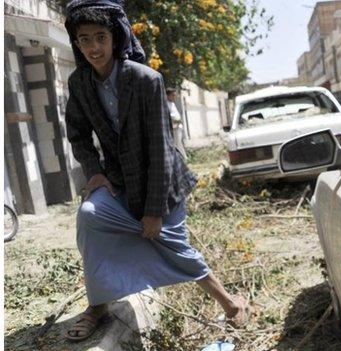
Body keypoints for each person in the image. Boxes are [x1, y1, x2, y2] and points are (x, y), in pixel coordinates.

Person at [63, 0, 249, 341]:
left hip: (163, 184)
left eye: (100, 37)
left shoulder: (146, 80)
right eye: (85, 39)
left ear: (115, 38)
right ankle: (98, 304)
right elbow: (76, 131)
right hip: (118, 184)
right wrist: (94, 172)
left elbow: (162, 149)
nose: (93, 47)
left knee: (175, 247)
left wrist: (153, 211)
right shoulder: (79, 83)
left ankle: (231, 304)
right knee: (90, 216)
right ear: (77, 43)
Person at [165, 87, 188, 160]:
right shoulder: (166, 104)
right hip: (174, 127)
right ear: (168, 95)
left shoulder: (172, 104)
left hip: (178, 126)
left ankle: (183, 158)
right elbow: (169, 116)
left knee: (178, 143)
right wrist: (176, 121)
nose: (175, 97)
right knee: (176, 144)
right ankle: (182, 158)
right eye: (173, 95)